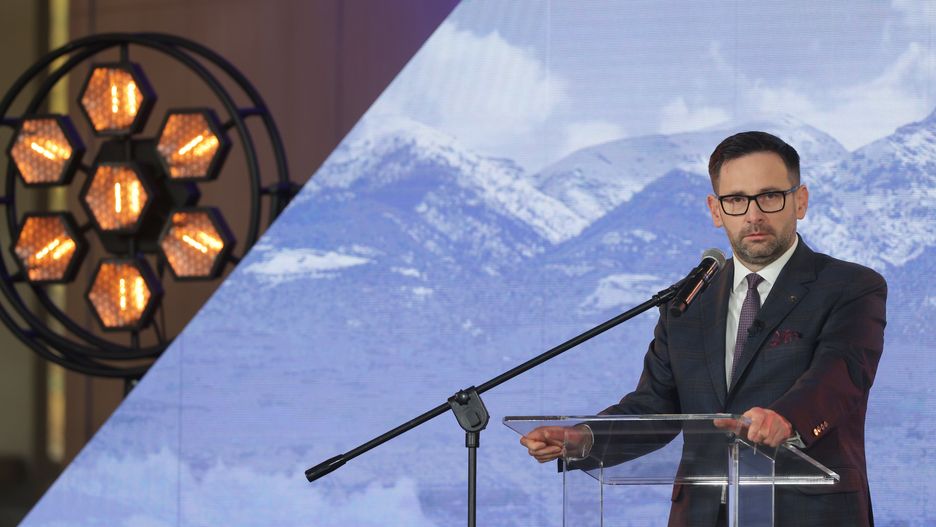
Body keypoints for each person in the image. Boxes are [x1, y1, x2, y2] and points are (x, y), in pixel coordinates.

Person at [520, 131, 886, 526]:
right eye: (736, 200)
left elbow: (841, 374)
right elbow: (653, 406)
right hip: (701, 514)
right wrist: (584, 438)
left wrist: (786, 418)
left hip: (811, 512)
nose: (753, 214)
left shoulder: (850, 287)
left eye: (769, 196)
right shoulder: (688, 302)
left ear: (800, 201)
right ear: (716, 210)